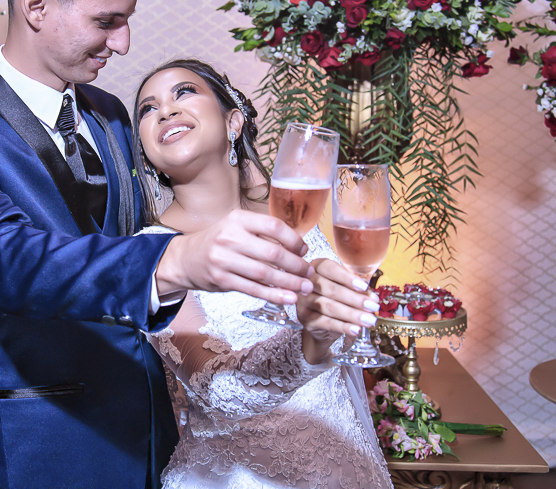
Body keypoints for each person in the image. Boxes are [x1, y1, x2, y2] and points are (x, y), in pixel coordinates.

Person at [0, 0, 319, 489]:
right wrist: (173, 260)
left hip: (153, 443)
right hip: (35, 450)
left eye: (126, 20)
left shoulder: (110, 113)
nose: (122, 43)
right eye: (106, 21)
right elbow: (5, 260)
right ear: (36, 6)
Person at [132, 58, 393, 489]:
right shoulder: (151, 253)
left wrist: (344, 308)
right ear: (148, 154)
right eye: (148, 108)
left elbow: (349, 345)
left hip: (347, 466)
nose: (166, 110)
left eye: (184, 92)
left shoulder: (290, 214)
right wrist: (312, 339)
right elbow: (218, 390)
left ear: (233, 122)